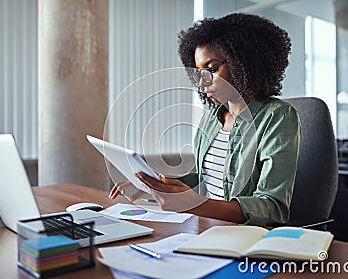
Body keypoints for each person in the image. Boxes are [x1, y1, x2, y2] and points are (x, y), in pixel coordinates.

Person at [109, 13, 301, 227]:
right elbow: (205, 180)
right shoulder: (211, 116)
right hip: (207, 227)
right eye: (198, 73)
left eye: (211, 69)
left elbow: (272, 208)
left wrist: (191, 203)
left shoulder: (277, 117)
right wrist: (155, 185)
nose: (202, 83)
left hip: (243, 237)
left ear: (243, 62)